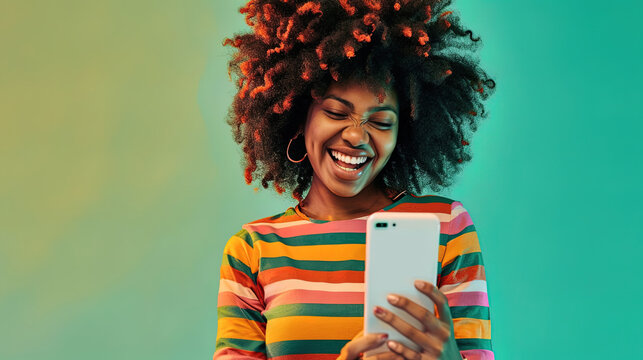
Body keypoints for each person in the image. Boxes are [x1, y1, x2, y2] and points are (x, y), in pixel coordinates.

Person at [214, 0, 495, 359]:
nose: (357, 137)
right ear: (300, 117)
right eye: (335, 112)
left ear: (404, 134)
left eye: (380, 122)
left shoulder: (447, 228)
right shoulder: (253, 250)